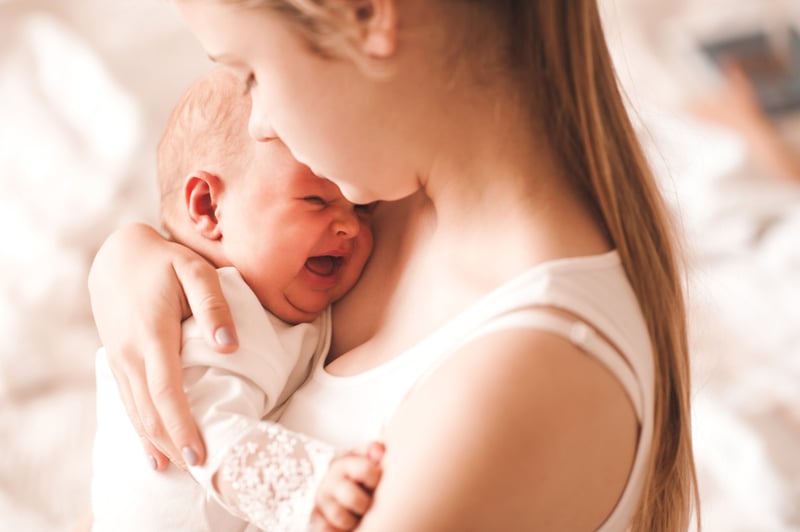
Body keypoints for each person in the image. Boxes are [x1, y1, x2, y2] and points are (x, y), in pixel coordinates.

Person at [88, 1, 701, 529]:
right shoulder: (379, 200)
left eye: (250, 74)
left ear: (367, 14)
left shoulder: (524, 377)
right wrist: (131, 257)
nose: (259, 123)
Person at [91, 68, 380, 531]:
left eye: (362, 208)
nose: (350, 226)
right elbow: (195, 424)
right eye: (316, 200)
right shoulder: (216, 306)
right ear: (208, 207)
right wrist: (306, 486)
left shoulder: (273, 300)